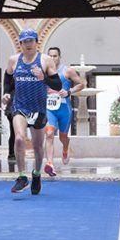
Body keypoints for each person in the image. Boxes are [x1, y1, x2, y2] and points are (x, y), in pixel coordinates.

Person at [1, 29, 63, 195]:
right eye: (24, 42)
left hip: (38, 109)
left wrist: (44, 78)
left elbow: (58, 85)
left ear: (37, 42)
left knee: (37, 147)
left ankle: (36, 174)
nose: (28, 44)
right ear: (20, 44)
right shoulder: (14, 60)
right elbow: (7, 79)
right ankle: (21, 176)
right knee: (19, 138)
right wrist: (6, 93)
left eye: (31, 41)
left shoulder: (45, 60)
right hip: (19, 106)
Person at [42, 47, 84, 176]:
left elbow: (81, 84)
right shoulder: (43, 72)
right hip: (49, 108)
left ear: (60, 57)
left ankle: (66, 147)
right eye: (50, 56)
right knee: (49, 134)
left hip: (64, 108)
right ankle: (50, 163)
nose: (53, 58)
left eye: (55, 56)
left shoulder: (67, 71)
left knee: (63, 137)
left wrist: (69, 92)